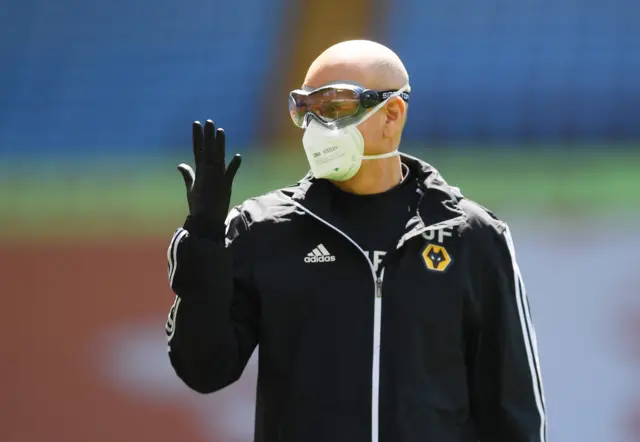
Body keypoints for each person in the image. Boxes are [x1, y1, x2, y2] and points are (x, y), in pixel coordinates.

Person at [165, 40, 547, 442]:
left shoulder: (473, 236)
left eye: (335, 107)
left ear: (392, 114)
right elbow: (204, 369)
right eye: (306, 110)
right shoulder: (261, 228)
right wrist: (203, 242)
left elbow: (512, 407)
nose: (317, 127)